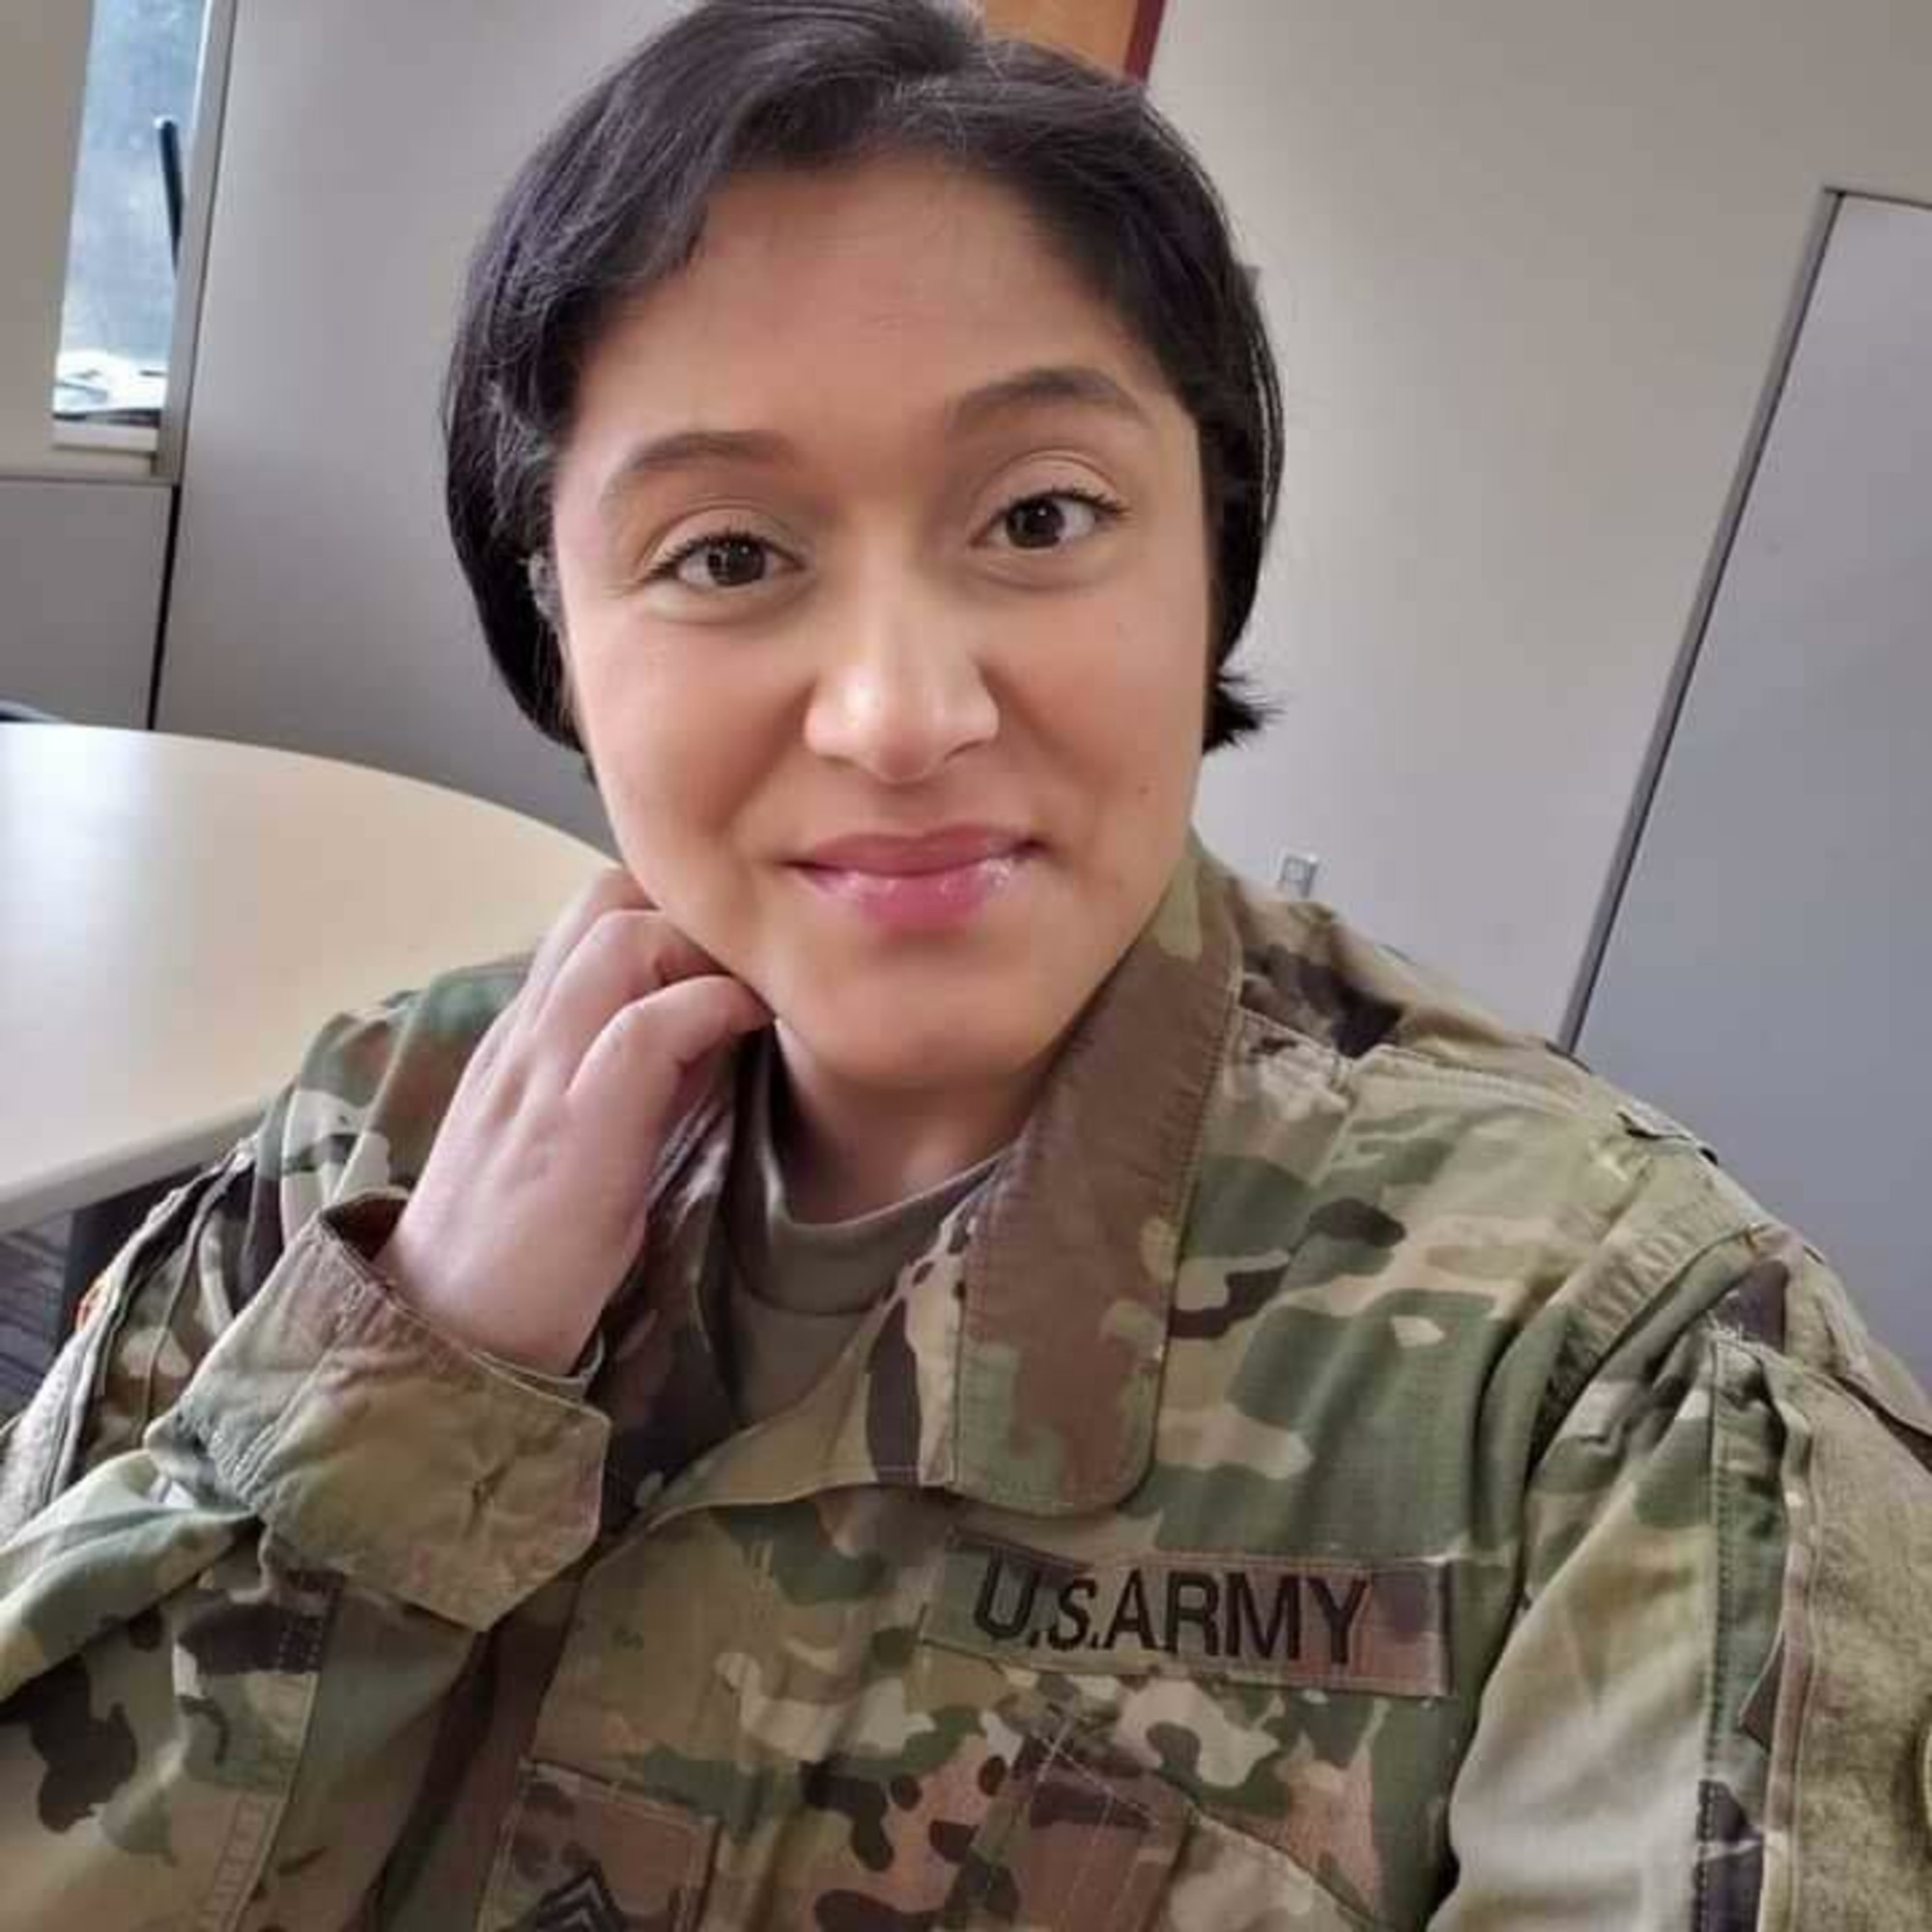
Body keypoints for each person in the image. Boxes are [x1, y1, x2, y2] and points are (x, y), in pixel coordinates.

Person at [3, 2, 1929, 1925]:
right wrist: (413, 1376)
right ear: (558, 635)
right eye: (727, 554)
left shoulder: (1612, 1387)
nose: (900, 714)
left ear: (1208, 558)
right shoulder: (375, 1143)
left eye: (1039, 516)